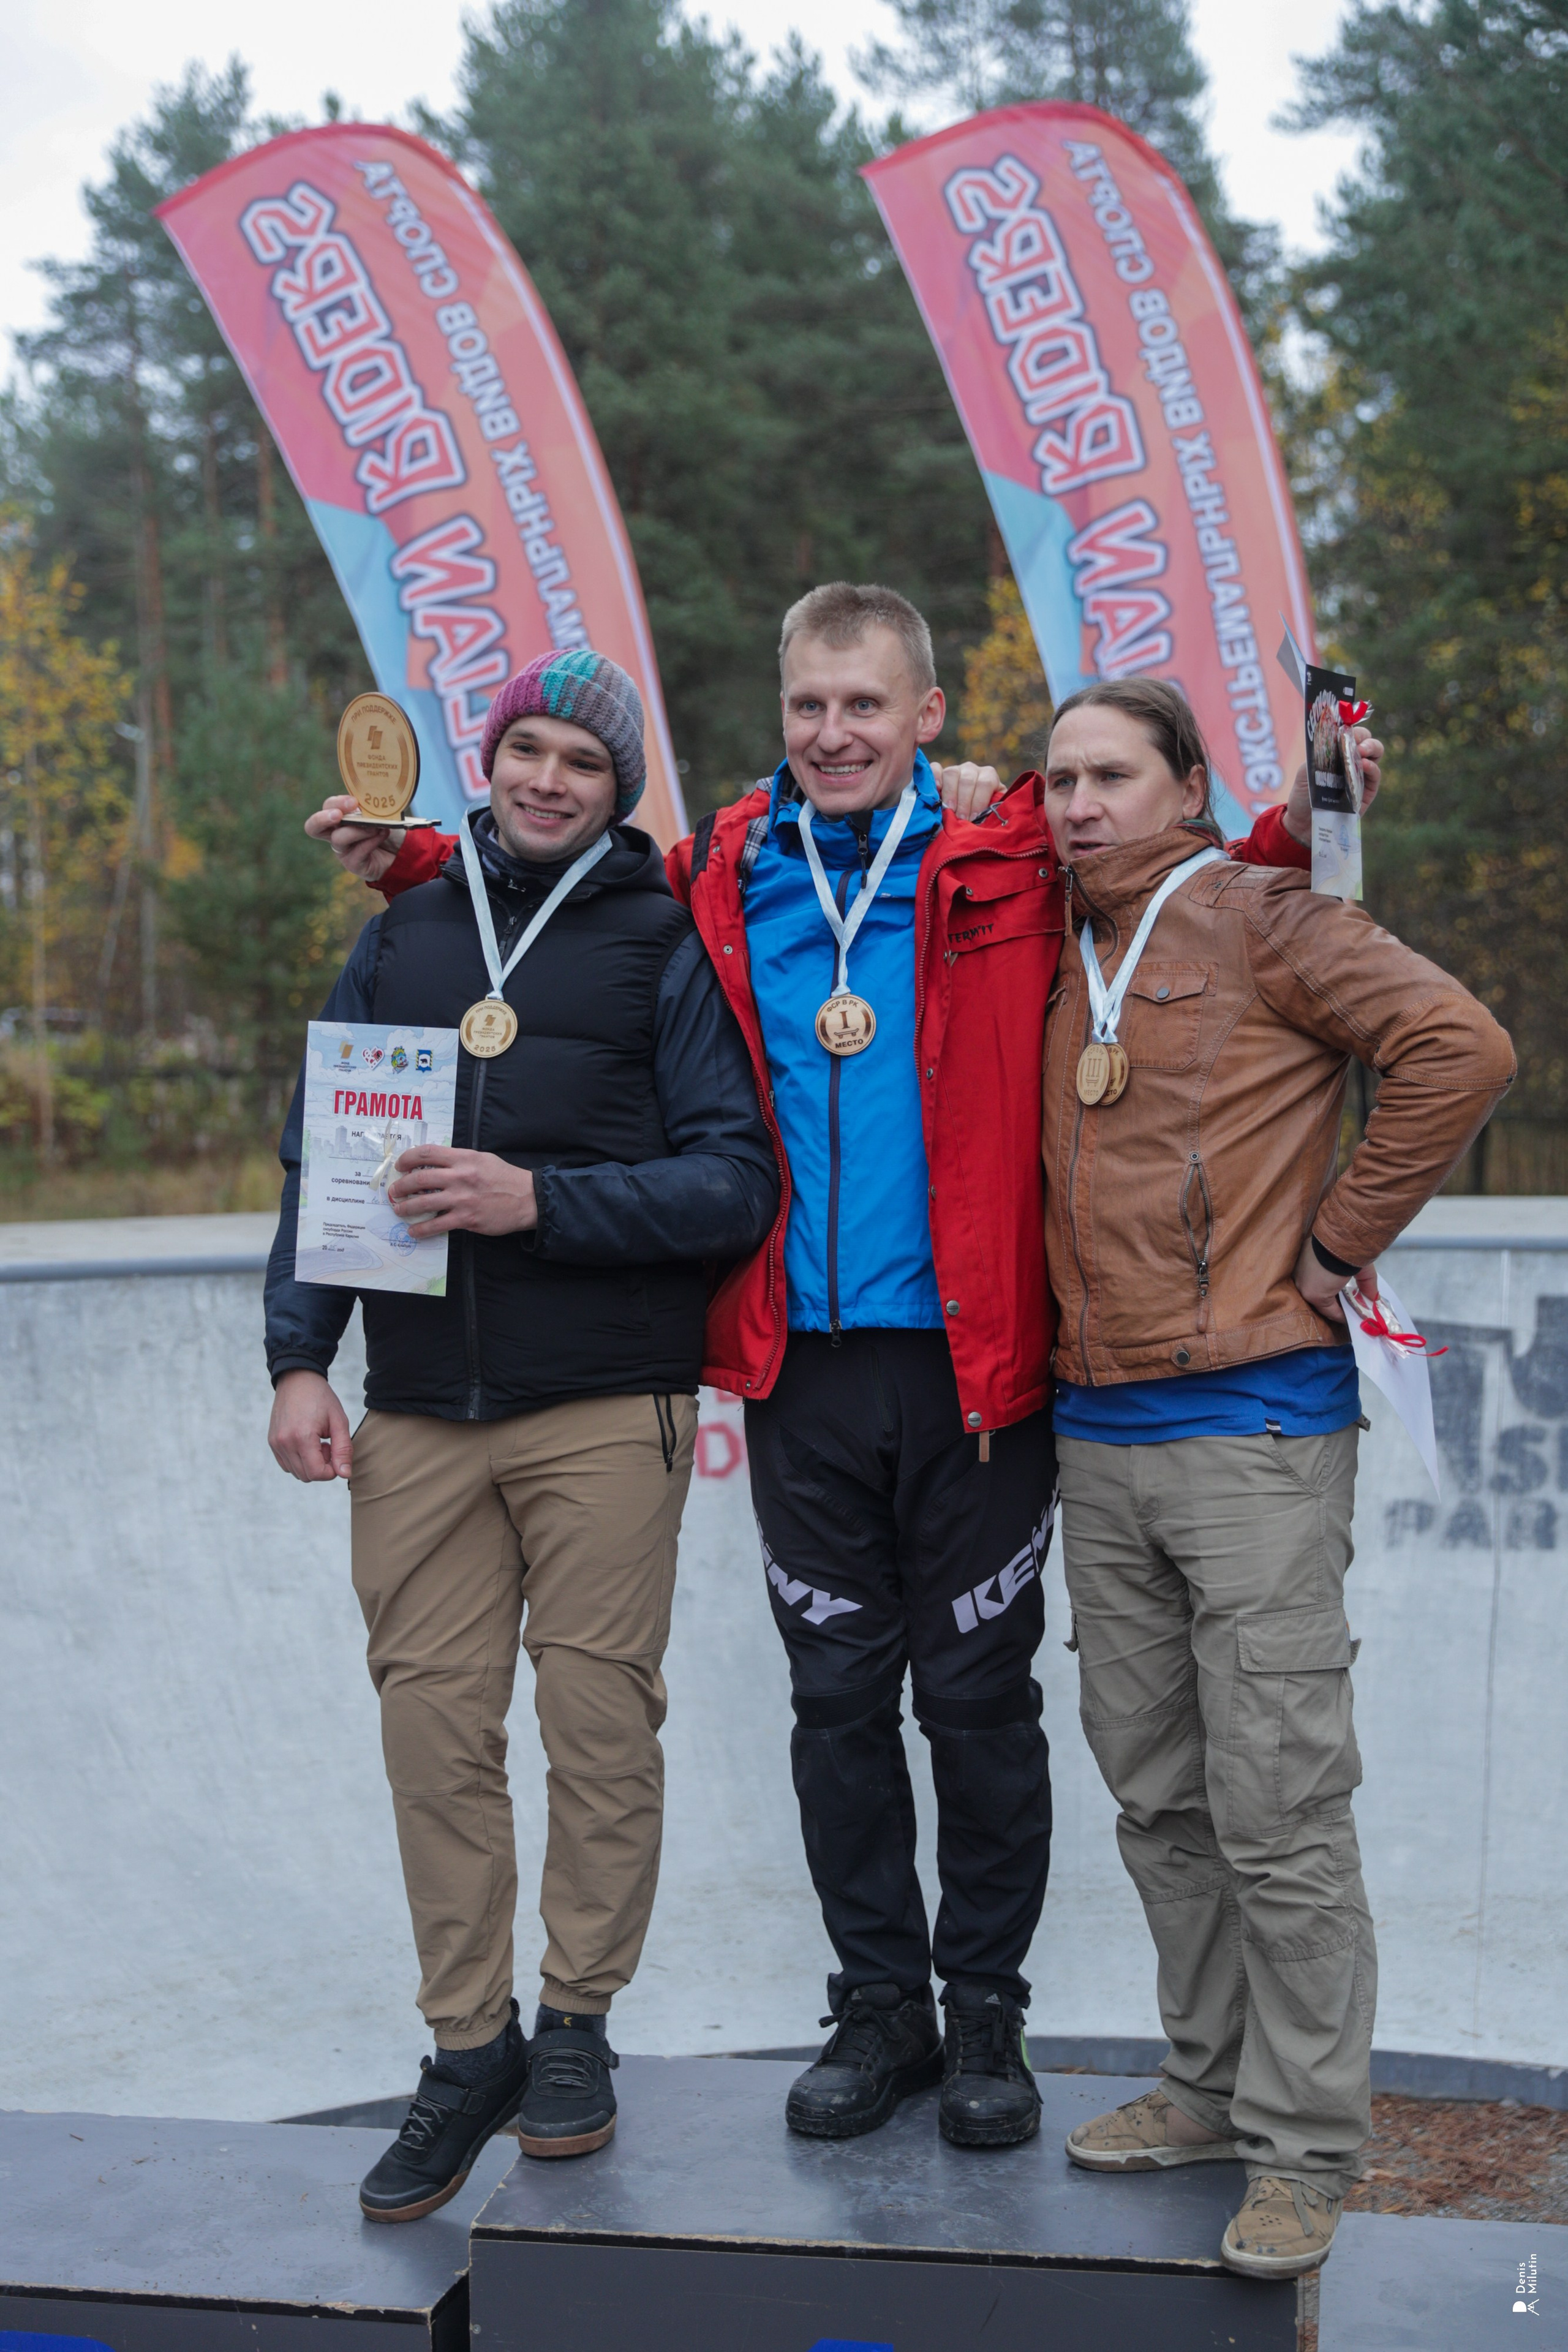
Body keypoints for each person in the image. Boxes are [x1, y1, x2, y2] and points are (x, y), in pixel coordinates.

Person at [317, 586, 1348, 2155]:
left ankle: (984, 2012)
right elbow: (560, 891)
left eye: (866, 706)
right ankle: (878, 2012)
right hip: (796, 1369)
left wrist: (1305, 813)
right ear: (778, 716)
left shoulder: (1002, 848)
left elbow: (1169, 870)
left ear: (926, 716)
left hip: (975, 1369)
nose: (834, 733)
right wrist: (409, 862)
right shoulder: (723, 871)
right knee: (837, 1707)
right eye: (808, 706)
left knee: (981, 1706)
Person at [265, 649, 778, 2222]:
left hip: (599, 1406)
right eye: (526, 750)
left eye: (584, 760)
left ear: (623, 788)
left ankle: (575, 2027)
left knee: (599, 1731)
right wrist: (298, 1360)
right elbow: (320, 1158)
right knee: (433, 1737)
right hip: (417, 1409)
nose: (550, 778)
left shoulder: (658, 945)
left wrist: (536, 1201)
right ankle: (465, 2043)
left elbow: (732, 1180)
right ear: (486, 764)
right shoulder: (407, 928)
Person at [1033, 677, 1513, 2280]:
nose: (1078, 805)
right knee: (1163, 1800)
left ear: (1183, 786)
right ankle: (1207, 2081)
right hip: (1095, 1444)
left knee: (1281, 1811)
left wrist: (1335, 1245)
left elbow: (1459, 1047)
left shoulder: (1265, 916)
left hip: (1254, 1432)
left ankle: (1307, 2146)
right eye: (1057, 782)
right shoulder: (1055, 939)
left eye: (1111, 775)